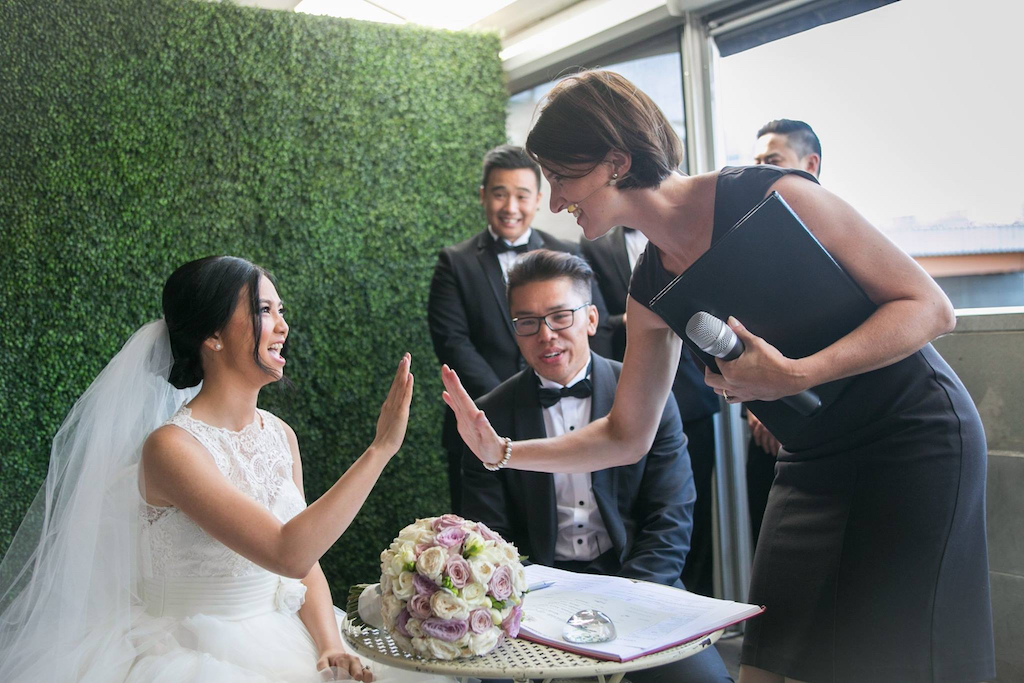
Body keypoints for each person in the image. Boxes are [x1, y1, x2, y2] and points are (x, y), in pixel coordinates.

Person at [442, 70, 994, 683]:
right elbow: (627, 435)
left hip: (913, 437)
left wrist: (796, 374)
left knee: (892, 661)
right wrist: (504, 451)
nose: (552, 201)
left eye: (562, 177)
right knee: (765, 662)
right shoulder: (650, 291)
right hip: (812, 462)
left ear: (617, 162)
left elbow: (928, 308)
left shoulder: (774, 194)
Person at [0, 256, 453, 683]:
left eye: (281, 309)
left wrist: (329, 644)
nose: (283, 325)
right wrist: (380, 449)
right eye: (263, 310)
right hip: (187, 652)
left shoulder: (282, 436)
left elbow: (303, 566)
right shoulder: (171, 448)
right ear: (213, 336)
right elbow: (285, 550)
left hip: (285, 637)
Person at [461, 249, 732, 682]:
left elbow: (671, 520)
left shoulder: (648, 398)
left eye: (560, 316)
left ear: (590, 320)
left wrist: (623, 604)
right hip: (536, 599)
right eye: (527, 322)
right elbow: (491, 542)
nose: (546, 335)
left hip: (641, 584)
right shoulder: (487, 419)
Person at [428, 144, 612, 514]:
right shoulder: (455, 263)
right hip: (483, 420)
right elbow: (453, 343)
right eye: (499, 194)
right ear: (483, 196)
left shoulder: (569, 250)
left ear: (539, 199)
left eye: (522, 195)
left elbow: (599, 326)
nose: (510, 207)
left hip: (569, 418)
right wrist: (511, 404)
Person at [581, 225, 720, 596]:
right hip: (633, 389)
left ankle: (697, 604)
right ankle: (648, 595)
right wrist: (634, 321)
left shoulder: (692, 234)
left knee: (694, 509)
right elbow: (597, 322)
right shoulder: (593, 245)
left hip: (692, 394)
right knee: (643, 508)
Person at [746, 119, 822, 547]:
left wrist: (785, 400)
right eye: (755, 162)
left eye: (771, 161)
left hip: (830, 425)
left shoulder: (840, 236)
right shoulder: (752, 247)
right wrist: (759, 408)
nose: (759, 172)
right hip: (763, 433)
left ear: (809, 165)